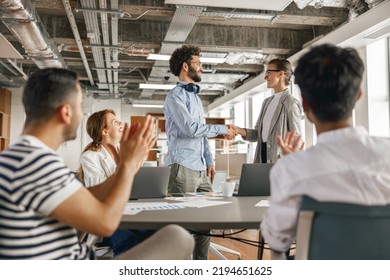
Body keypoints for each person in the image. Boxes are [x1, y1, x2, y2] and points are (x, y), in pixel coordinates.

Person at [0, 68, 194, 259]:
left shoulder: (24, 157)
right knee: (179, 237)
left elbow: (87, 195)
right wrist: (127, 164)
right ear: (66, 112)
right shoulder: (37, 164)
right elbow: (106, 223)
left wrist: (131, 164)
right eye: (80, 105)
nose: (82, 114)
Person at [260, 43, 390, 259]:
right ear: (357, 96)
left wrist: (293, 162)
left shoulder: (290, 170)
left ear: (305, 104)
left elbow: (276, 239)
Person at [163, 45, 236, 260]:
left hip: (200, 168)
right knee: (183, 229)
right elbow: (190, 129)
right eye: (198, 63)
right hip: (182, 168)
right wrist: (223, 130)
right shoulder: (174, 97)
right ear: (186, 66)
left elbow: (201, 133)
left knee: (205, 222)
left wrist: (209, 159)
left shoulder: (195, 97)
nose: (202, 68)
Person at [79, 109, 154, 256]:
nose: (120, 123)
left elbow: (133, 186)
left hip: (130, 212)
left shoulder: (124, 152)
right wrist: (128, 165)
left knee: (155, 232)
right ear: (104, 131)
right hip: (108, 218)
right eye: (115, 122)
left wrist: (139, 161)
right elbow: (99, 196)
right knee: (129, 243)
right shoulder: (90, 157)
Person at [230, 59, 303, 163]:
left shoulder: (291, 103)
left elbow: (296, 139)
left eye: (268, 73)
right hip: (261, 160)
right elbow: (257, 135)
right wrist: (238, 130)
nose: (265, 77)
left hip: (280, 163)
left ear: (281, 74)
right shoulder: (266, 102)